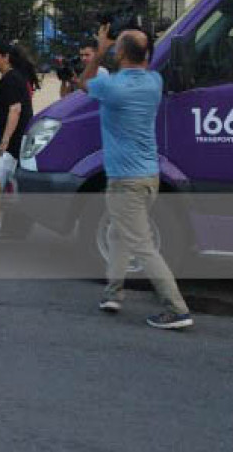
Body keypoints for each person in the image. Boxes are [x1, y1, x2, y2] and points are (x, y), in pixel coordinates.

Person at [79, 26, 193, 329]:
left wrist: (99, 52)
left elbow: (83, 83)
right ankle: (113, 292)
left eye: (117, 48)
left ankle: (176, 308)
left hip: (125, 179)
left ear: (121, 53)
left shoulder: (113, 87)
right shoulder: (154, 82)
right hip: (148, 176)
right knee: (118, 233)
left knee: (141, 245)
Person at [0, 41, 37, 165]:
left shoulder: (12, 78)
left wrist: (5, 140)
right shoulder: (13, 77)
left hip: (13, 142)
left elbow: (15, 109)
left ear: (6, 57)